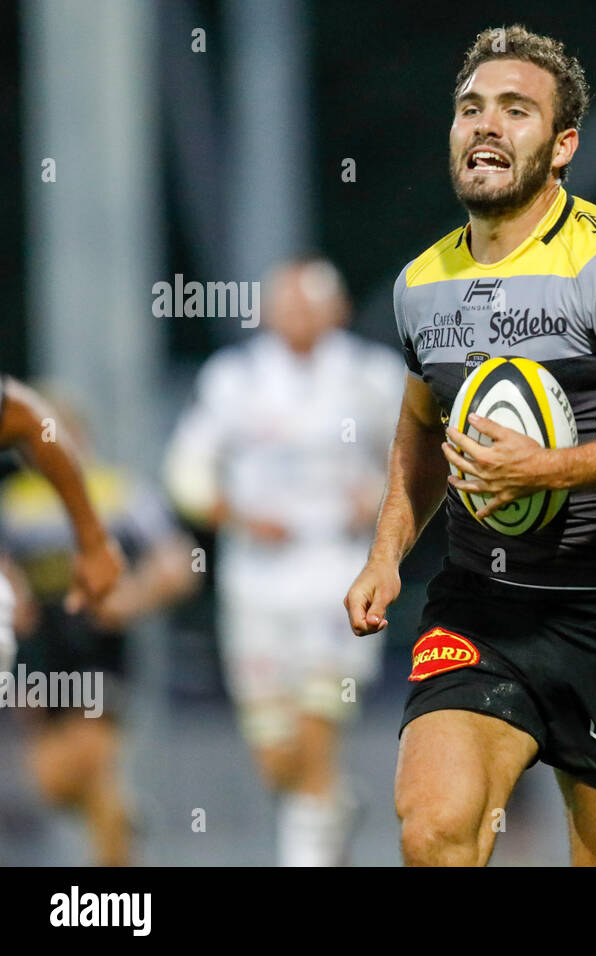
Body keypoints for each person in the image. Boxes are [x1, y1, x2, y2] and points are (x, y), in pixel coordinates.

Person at [343, 24, 596, 867]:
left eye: (515, 112)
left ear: (562, 146)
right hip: (479, 611)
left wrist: (547, 468)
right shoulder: (422, 286)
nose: (486, 125)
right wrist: (387, 553)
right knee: (436, 831)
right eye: (470, 109)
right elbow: (422, 427)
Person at [164, 257, 405, 866]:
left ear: (338, 309)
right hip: (257, 586)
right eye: (287, 301)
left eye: (310, 301)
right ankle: (335, 811)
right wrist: (238, 517)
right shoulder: (234, 380)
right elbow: (186, 472)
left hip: (339, 576)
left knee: (317, 732)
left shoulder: (371, 376)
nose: (297, 313)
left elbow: (415, 457)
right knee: (278, 758)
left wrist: (378, 499)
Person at [2, 392, 196, 866]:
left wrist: (130, 600)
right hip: (36, 647)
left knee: (92, 762)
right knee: (53, 782)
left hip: (96, 642)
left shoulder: (119, 492)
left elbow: (179, 563)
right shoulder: (13, 501)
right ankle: (121, 817)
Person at [0, 377, 123, 680]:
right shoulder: (14, 499)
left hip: (87, 634)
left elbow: (27, 417)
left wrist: (94, 543)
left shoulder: (119, 491)